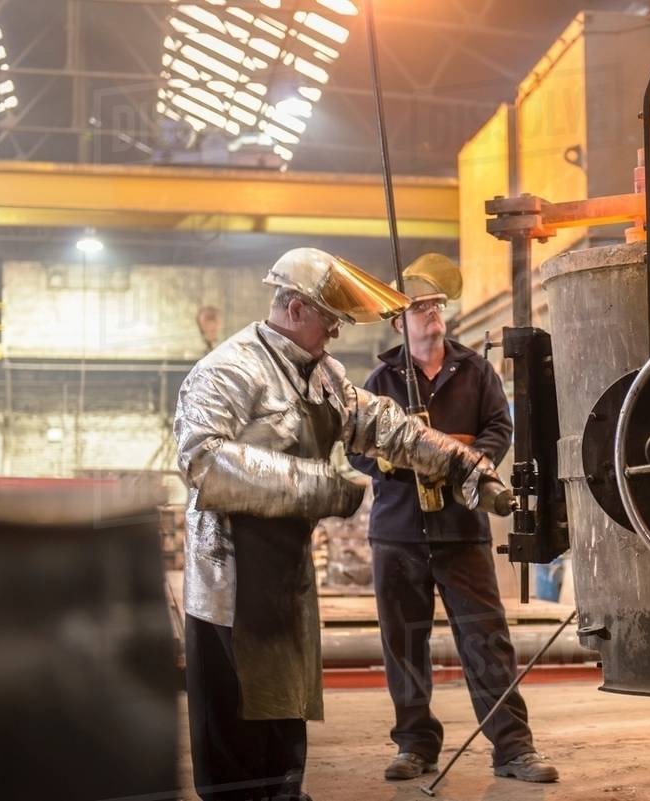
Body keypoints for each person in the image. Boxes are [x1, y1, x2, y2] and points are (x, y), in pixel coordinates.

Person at [174, 248, 514, 801]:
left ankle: (284, 792)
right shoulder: (227, 370)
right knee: (235, 709)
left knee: (286, 696)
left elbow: (386, 427)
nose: (335, 330)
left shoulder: (323, 373)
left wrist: (459, 463)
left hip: (283, 568)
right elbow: (203, 462)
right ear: (292, 307)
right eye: (328, 317)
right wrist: (321, 486)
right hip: (232, 574)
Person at [352, 254, 559, 784]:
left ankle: (513, 748)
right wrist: (404, 459)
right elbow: (356, 448)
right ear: (399, 322)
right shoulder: (380, 380)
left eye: (436, 305)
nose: (431, 314)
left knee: (486, 638)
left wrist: (466, 458)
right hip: (397, 532)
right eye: (419, 308)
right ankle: (415, 746)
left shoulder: (474, 369)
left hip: (461, 529)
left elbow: (498, 429)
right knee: (404, 644)